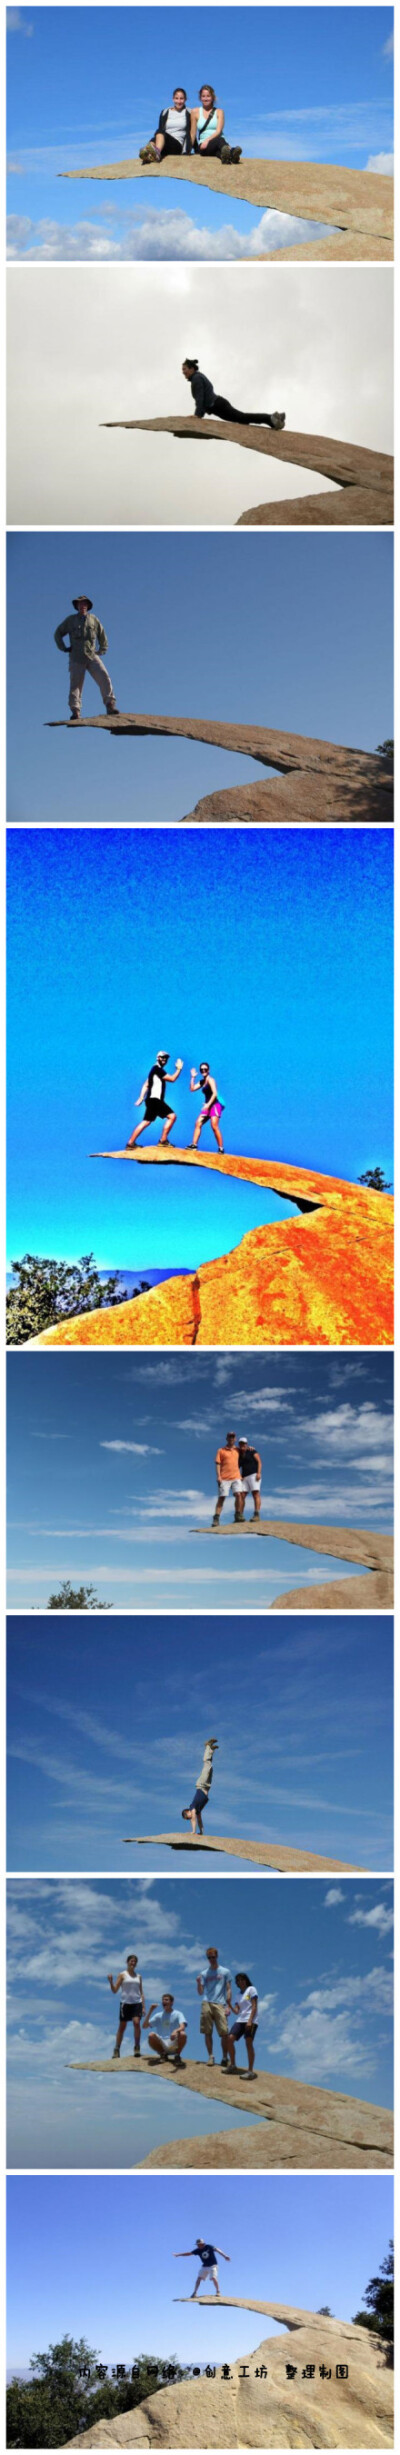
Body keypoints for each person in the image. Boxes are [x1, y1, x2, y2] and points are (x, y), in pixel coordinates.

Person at [54, 596, 119, 720]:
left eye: (84, 604)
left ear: (88, 606)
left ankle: (110, 705)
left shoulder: (93, 619)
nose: (82, 606)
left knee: (104, 677)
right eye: (80, 604)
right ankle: (75, 711)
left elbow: (102, 635)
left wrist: (102, 649)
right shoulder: (71, 620)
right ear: (77, 606)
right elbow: (58, 633)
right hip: (76, 657)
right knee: (76, 685)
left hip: (91, 655)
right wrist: (63, 647)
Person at [182, 359, 286, 430]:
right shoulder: (198, 377)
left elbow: (200, 398)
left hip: (218, 405)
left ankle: (271, 418)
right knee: (242, 419)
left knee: (242, 417)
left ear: (192, 369)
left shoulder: (196, 378)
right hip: (218, 405)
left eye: (184, 369)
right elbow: (203, 400)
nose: (183, 372)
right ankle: (272, 421)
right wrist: (199, 415)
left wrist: (197, 415)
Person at [126, 1051, 183, 1149]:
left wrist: (141, 1097)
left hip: (151, 1100)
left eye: (166, 1058)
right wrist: (179, 1069)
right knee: (172, 1116)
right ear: (158, 1058)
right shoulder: (157, 1069)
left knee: (146, 1121)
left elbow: (146, 1084)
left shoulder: (153, 1070)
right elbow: (172, 1079)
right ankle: (163, 1141)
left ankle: (130, 1143)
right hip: (155, 1100)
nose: (164, 1060)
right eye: (162, 1057)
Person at [197, 1944, 232, 2068]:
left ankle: (224, 2057)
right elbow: (200, 1992)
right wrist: (198, 1983)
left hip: (220, 2003)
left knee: (224, 2032)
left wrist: (228, 2006)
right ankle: (211, 2056)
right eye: (209, 1957)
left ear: (217, 1956)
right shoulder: (204, 1973)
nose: (211, 1959)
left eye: (213, 1957)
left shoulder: (225, 1971)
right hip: (207, 2001)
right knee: (207, 2031)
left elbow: (228, 1989)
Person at [191, 83, 242, 165]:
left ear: (212, 97)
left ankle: (227, 158)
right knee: (220, 141)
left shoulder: (219, 112)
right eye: (203, 96)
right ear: (200, 98)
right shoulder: (195, 112)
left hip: (219, 143)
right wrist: (188, 150)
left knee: (220, 149)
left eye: (208, 96)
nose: (206, 98)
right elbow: (192, 133)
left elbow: (218, 131)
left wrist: (208, 140)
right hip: (205, 146)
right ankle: (232, 152)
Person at [140, 88, 192, 165]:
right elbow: (159, 133)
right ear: (173, 99)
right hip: (164, 143)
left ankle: (155, 154)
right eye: (176, 98)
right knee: (158, 134)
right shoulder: (165, 112)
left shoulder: (189, 112)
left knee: (161, 132)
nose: (179, 101)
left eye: (181, 99)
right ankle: (149, 151)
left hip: (177, 145)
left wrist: (196, 149)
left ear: (185, 99)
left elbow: (191, 133)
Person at [108, 1953, 145, 2058]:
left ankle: (137, 2047)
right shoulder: (122, 1975)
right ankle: (117, 2049)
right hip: (125, 2004)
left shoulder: (139, 1976)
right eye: (131, 1961)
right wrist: (111, 1982)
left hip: (136, 2003)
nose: (133, 1963)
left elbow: (141, 1992)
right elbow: (115, 1990)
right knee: (122, 2027)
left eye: (135, 1962)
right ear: (127, 1962)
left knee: (136, 2023)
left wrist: (143, 2006)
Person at [182, 1736, 218, 1835]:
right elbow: (199, 1820)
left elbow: (193, 1819)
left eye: (187, 1817)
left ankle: (207, 1746)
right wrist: (201, 1832)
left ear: (187, 1812)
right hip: (207, 1786)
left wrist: (193, 1831)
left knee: (206, 1765)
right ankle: (210, 1750)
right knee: (209, 1767)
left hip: (201, 1785)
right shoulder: (197, 1811)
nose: (188, 1819)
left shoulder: (193, 1807)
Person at [143, 1992, 187, 2066]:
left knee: (183, 2034)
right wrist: (151, 2010)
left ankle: (177, 2055)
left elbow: (182, 2026)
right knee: (151, 2035)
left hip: (174, 2042)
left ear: (172, 2002)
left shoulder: (178, 2013)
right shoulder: (158, 2015)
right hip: (162, 2043)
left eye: (166, 2000)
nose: (164, 2001)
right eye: (163, 2000)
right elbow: (144, 2026)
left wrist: (176, 2031)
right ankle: (163, 2054)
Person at [227, 1971, 258, 2075]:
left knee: (248, 2043)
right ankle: (233, 2065)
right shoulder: (238, 1995)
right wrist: (229, 2005)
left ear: (246, 1980)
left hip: (251, 2020)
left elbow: (254, 2006)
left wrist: (250, 2021)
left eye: (242, 1980)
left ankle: (250, 2070)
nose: (241, 1982)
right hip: (240, 2019)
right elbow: (236, 2011)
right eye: (239, 1981)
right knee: (230, 2039)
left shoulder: (251, 1989)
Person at [190, 1062, 224, 1152]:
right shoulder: (202, 1081)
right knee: (198, 1123)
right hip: (207, 1106)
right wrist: (193, 1077)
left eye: (205, 1069)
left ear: (208, 1070)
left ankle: (221, 1148)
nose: (203, 1071)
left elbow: (215, 1093)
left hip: (214, 1105)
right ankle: (194, 1145)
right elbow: (192, 1089)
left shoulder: (211, 1080)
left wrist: (208, 1105)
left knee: (214, 1125)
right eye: (201, 1070)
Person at [212, 1431, 241, 1527]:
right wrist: (218, 1476)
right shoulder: (221, 1450)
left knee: (238, 1495)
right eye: (230, 1437)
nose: (231, 1439)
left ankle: (237, 1515)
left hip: (236, 1476)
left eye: (233, 1437)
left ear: (235, 1439)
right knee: (222, 1498)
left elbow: (247, 1452)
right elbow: (218, 1463)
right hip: (224, 1478)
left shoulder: (238, 1450)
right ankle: (216, 1518)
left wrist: (251, 1448)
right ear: (227, 1438)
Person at [237, 1437, 262, 1520]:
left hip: (253, 1475)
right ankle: (240, 1515)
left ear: (246, 1444)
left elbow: (259, 1461)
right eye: (241, 1443)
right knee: (242, 1495)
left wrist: (258, 1473)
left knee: (255, 1493)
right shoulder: (239, 1455)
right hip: (244, 1477)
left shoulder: (252, 1451)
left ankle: (256, 1514)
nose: (242, 1445)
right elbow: (237, 1467)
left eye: (244, 1443)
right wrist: (239, 1476)